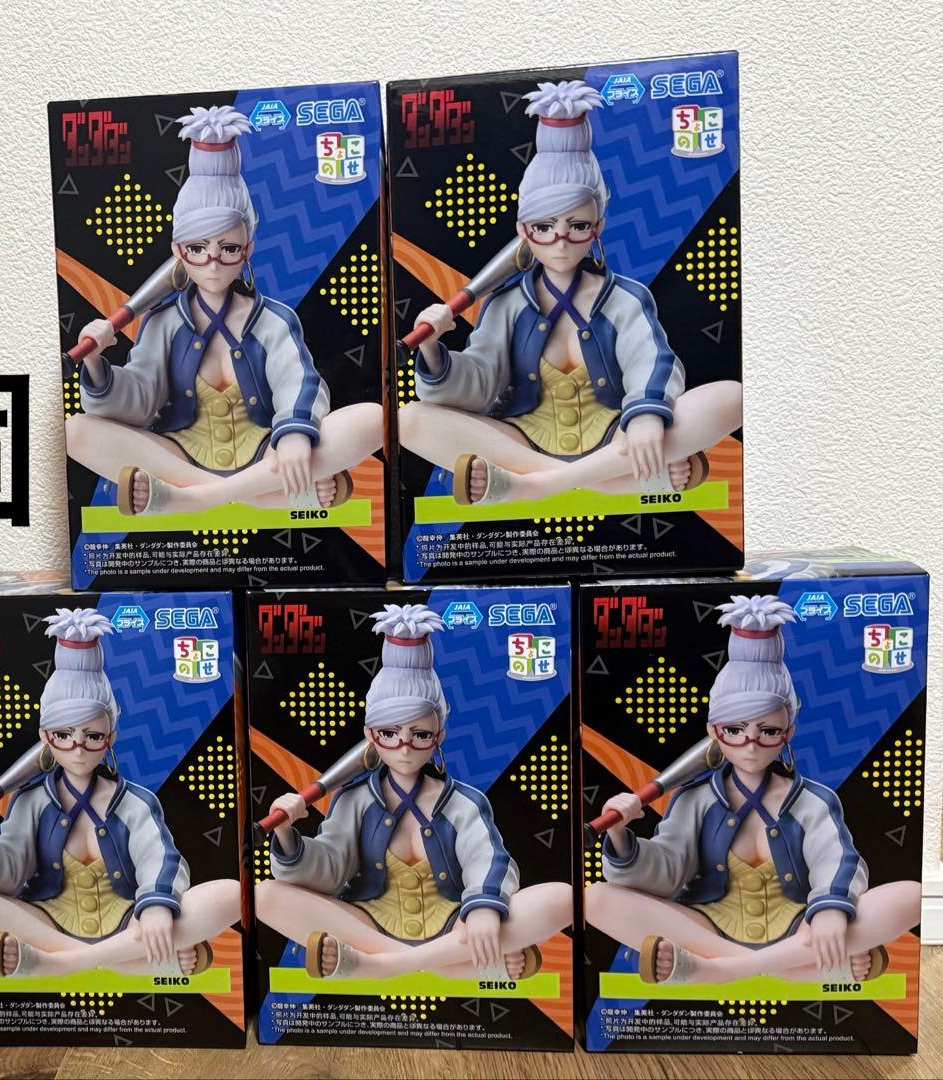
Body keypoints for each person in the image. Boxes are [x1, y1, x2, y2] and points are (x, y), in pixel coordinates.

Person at [400, 80, 741, 506]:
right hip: (525, 440)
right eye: (544, 227)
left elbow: (651, 361)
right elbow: (480, 387)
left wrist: (646, 416)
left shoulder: (624, 298)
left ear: (597, 228)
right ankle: (621, 478)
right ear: (524, 231)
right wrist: (432, 350)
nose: (560, 241)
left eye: (577, 226)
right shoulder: (506, 304)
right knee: (409, 419)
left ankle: (532, 486)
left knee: (730, 396)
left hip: (616, 436)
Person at [585, 594, 921, 985]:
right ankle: (804, 968)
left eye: (768, 731)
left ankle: (717, 970)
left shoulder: (813, 801)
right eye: (734, 730)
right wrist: (619, 835)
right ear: (713, 732)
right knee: (597, 898)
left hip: (800, 927)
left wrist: (830, 908)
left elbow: (837, 859)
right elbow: (666, 875)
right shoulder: (694, 799)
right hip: (710, 926)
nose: (750, 744)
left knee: (910, 895)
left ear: (788, 733)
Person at [66, 104, 383, 515]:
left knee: (372, 418)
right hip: (182, 455)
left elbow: (298, 382)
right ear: (178, 251)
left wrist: (293, 434)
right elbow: (140, 402)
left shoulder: (273, 319)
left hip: (266, 453)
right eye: (197, 249)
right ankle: (271, 495)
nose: (213, 263)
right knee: (76, 430)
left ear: (247, 249)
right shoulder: (162, 322)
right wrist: (95, 363)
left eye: (228, 248)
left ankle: (189, 499)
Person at [255, 603, 572, 980]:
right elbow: (329, 873)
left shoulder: (464, 802)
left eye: (420, 734)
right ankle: (456, 965)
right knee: (266, 895)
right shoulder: (353, 800)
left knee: (562, 897)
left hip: (454, 926)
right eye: (389, 734)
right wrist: (286, 834)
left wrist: (484, 907)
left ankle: (379, 966)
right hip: (370, 925)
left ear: (439, 736)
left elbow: (487, 859)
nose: (404, 747)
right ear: (370, 735)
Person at [0, 607, 240, 978]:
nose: (78, 749)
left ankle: (57, 963)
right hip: (48, 922)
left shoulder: (135, 802)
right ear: (45, 737)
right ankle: (136, 961)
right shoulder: (30, 801)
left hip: (129, 923)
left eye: (92, 736)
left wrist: (156, 906)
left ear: (110, 738)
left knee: (230, 893)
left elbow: (159, 859)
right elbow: (8, 874)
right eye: (63, 735)